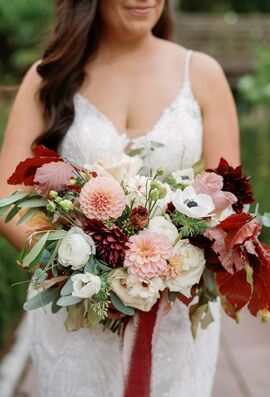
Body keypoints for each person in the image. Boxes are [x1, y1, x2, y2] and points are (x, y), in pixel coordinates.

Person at [0, 1, 240, 396]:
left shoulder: (201, 74)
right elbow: (10, 197)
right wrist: (80, 266)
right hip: (75, 311)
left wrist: (173, 262)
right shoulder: (49, 76)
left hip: (173, 313)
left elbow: (227, 195)